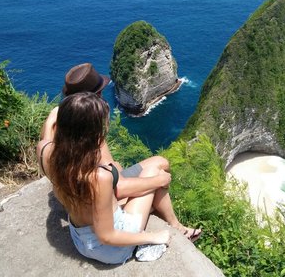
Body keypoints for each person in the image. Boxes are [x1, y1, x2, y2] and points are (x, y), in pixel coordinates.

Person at [37, 92, 201, 264]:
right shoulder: (98, 177)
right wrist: (153, 237)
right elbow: (107, 236)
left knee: (154, 171)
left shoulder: (45, 151)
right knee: (157, 174)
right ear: (91, 133)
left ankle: (176, 225)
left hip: (80, 237)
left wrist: (54, 117)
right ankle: (176, 226)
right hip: (110, 249)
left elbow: (48, 133)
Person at [40, 63, 170, 200]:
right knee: (160, 165)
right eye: (99, 92)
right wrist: (159, 180)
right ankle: (172, 221)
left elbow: (46, 150)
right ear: (93, 98)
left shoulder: (54, 125)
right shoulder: (89, 133)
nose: (102, 96)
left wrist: (50, 120)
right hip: (102, 199)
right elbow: (119, 188)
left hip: (76, 195)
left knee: (152, 163)